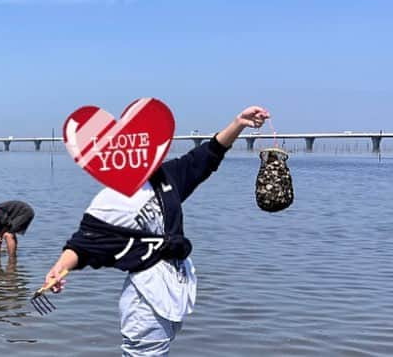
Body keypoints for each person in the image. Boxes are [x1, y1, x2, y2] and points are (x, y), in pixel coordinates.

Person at [44, 106, 270, 356]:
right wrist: (59, 269)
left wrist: (238, 123)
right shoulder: (110, 200)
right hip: (145, 297)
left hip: (175, 284)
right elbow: (84, 244)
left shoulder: (164, 177)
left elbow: (207, 156)